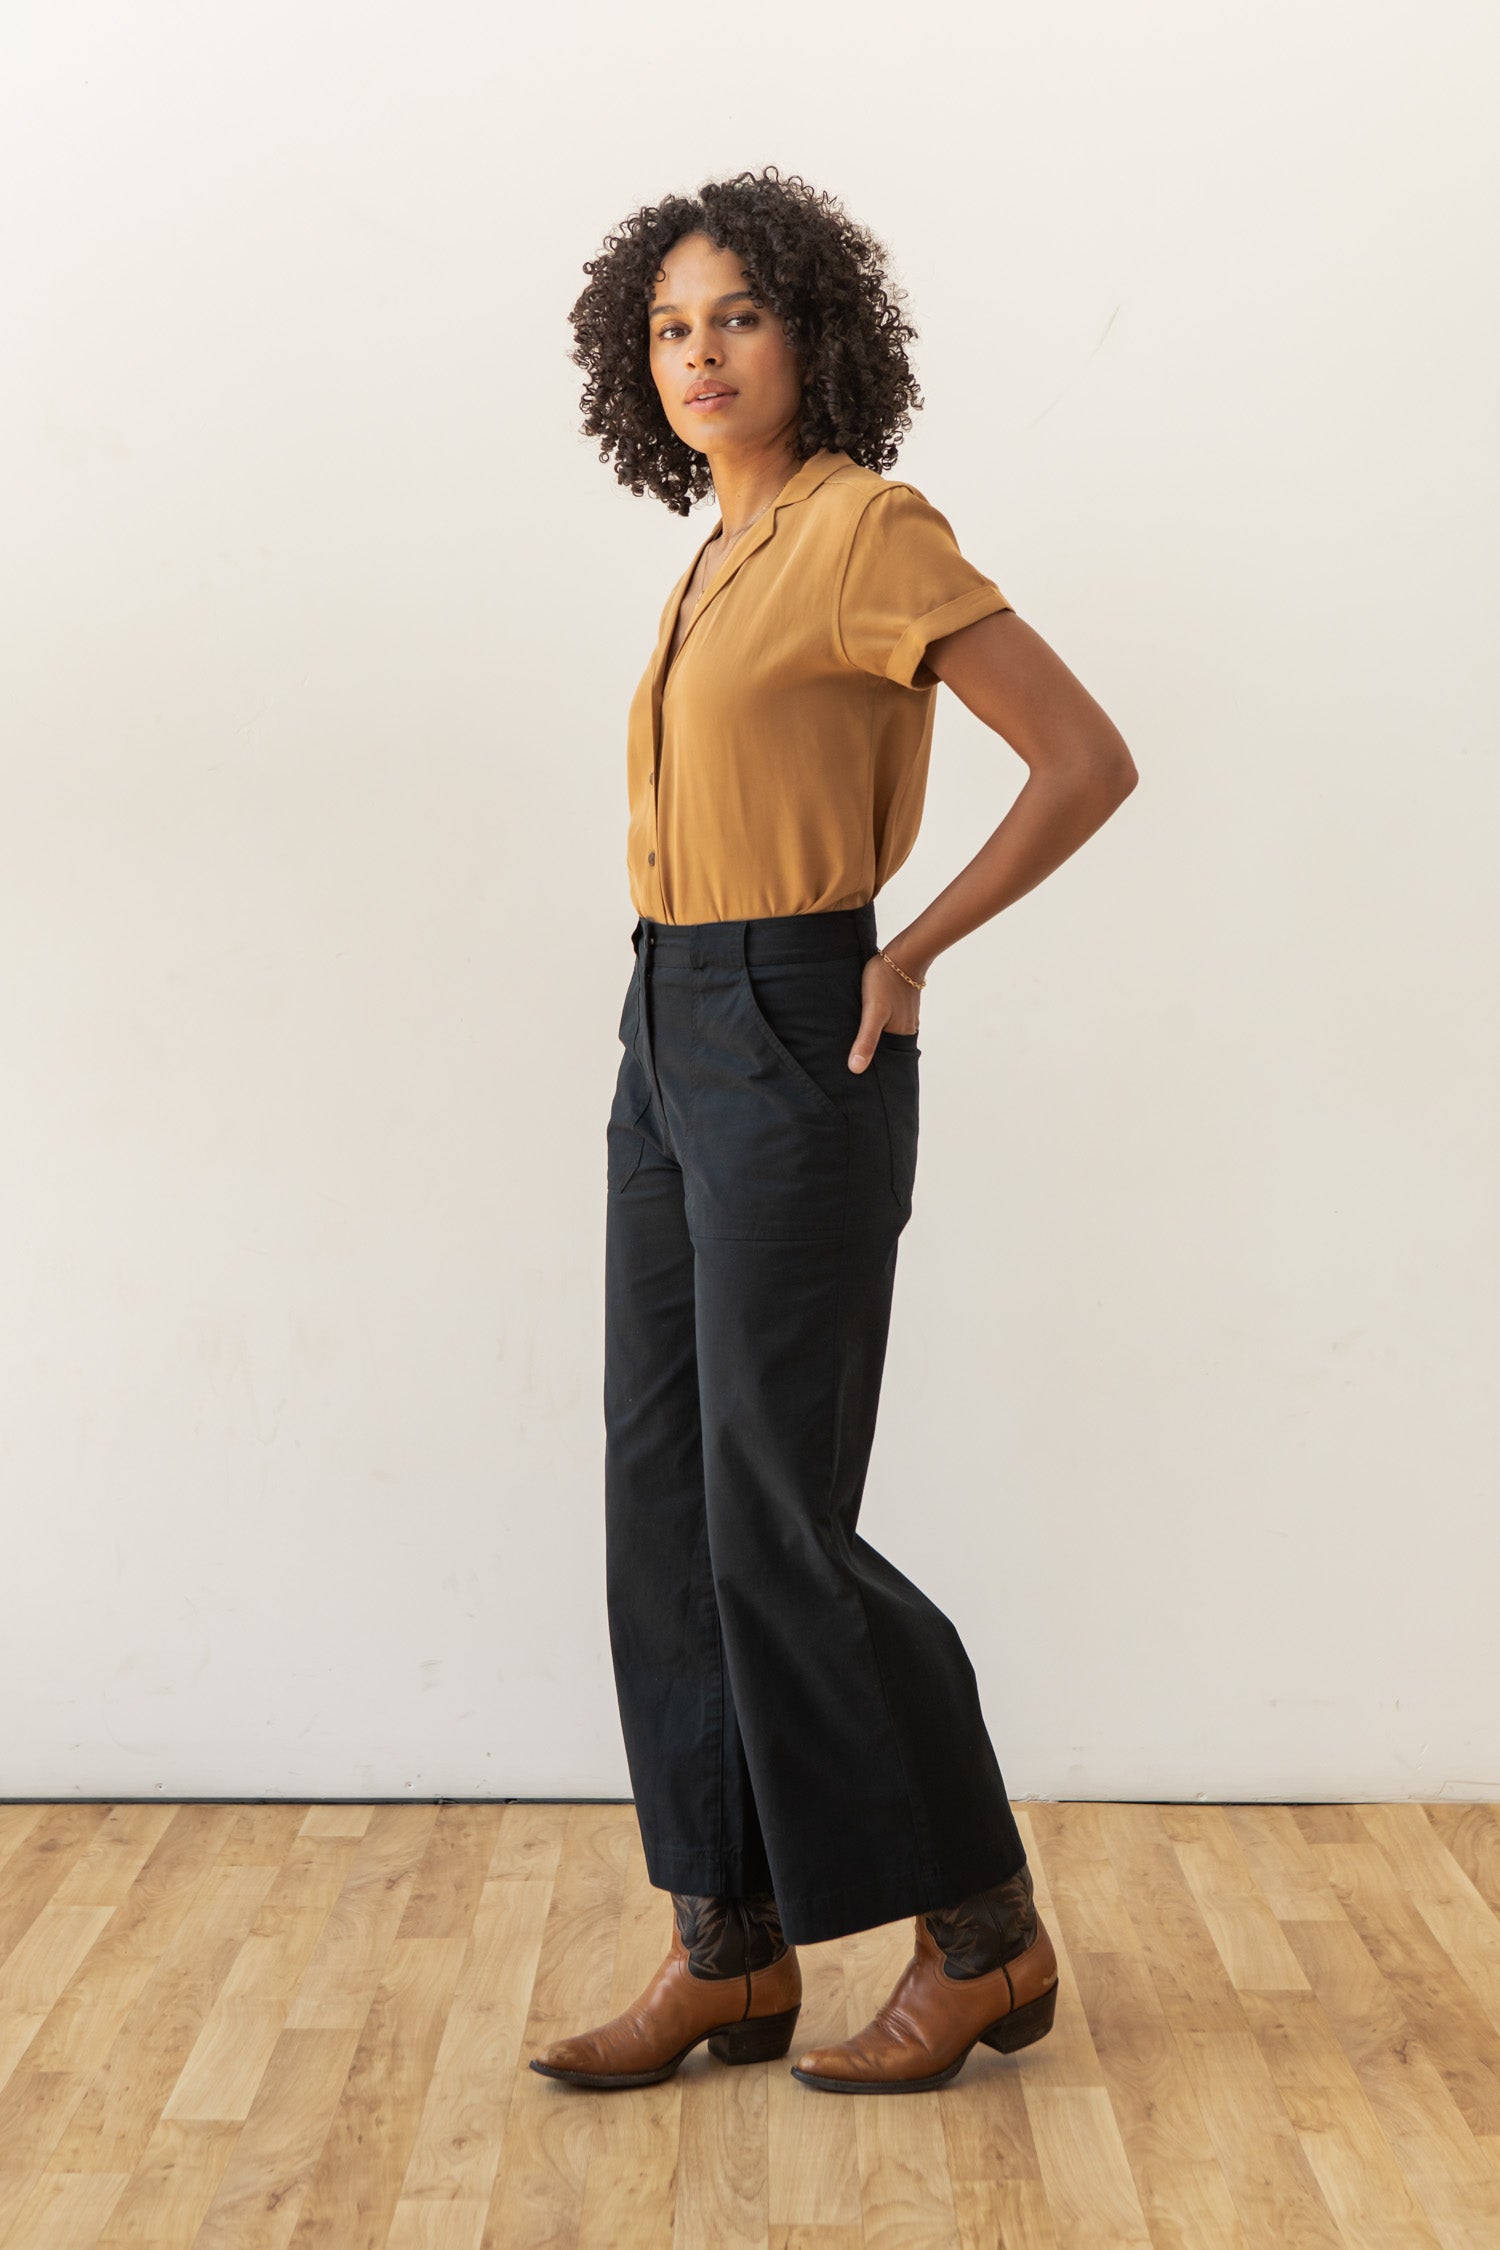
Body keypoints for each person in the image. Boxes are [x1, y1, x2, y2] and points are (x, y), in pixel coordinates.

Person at [530, 167, 1137, 2096]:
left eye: (738, 318)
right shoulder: (712, 552)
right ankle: (728, 1943)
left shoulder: (868, 527)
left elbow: (1084, 758)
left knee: (776, 1513)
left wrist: (912, 954)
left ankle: (984, 1930)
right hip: (666, 1019)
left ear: (812, 332)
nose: (702, 354)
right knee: (666, 1506)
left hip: (802, 1015)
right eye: (671, 327)